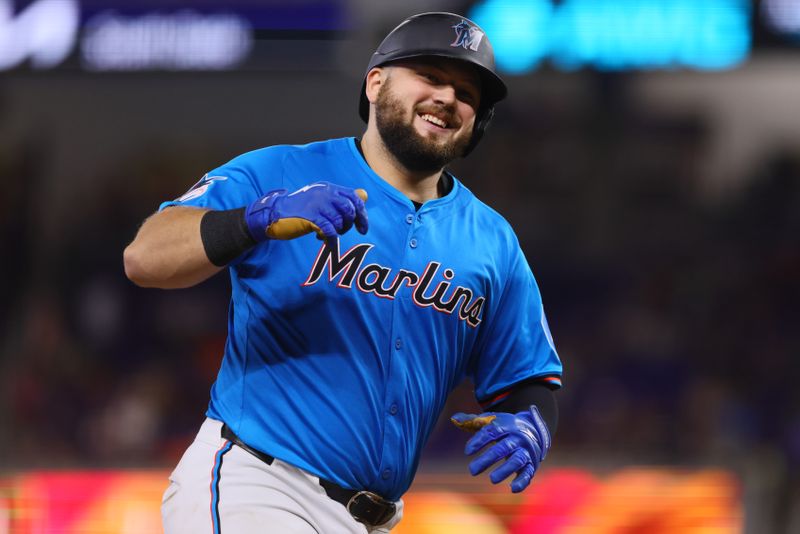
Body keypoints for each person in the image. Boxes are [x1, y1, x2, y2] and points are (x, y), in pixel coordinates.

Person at [123, 12, 563, 534]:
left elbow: (529, 377)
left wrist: (532, 423)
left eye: (467, 92)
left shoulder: (492, 241)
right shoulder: (282, 172)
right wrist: (255, 219)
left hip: (376, 519)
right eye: (430, 76)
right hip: (260, 485)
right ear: (375, 83)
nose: (448, 97)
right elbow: (144, 257)